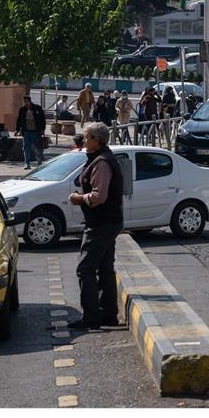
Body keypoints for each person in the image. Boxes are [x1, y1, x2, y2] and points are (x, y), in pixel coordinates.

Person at [67, 122, 124, 330]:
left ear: (96, 140)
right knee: (105, 267)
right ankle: (108, 315)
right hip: (108, 221)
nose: (84, 140)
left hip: (102, 223)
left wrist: (79, 198)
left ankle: (91, 318)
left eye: (87, 137)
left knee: (85, 268)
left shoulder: (101, 162)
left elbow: (99, 196)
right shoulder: (100, 159)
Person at [15, 95, 47, 170]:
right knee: (26, 148)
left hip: (36, 131)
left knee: (38, 148)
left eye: (27, 101)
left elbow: (43, 119)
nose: (26, 103)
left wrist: (42, 129)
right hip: (27, 132)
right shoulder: (22, 109)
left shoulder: (37, 108)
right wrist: (17, 130)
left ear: (30, 101)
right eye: (24, 102)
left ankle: (39, 162)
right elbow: (19, 120)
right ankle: (27, 164)